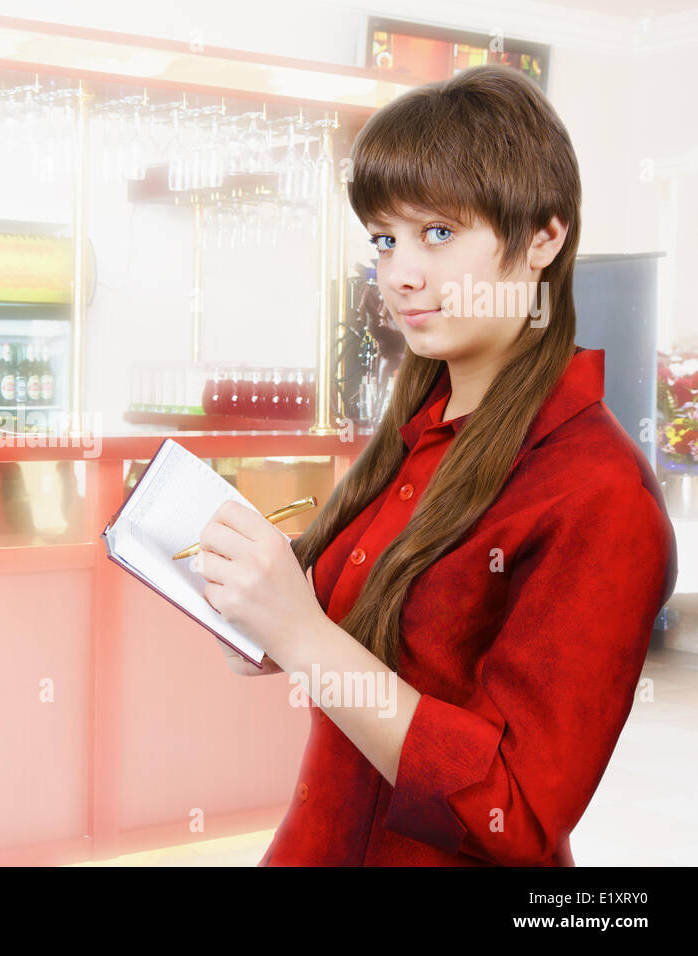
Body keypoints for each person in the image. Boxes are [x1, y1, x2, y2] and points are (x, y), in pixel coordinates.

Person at [194, 63, 677, 866]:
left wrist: (304, 635)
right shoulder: (417, 431)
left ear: (544, 240)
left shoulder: (596, 492)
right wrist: (260, 619)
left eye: (439, 234)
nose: (400, 274)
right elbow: (360, 648)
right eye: (385, 239)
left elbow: (515, 815)